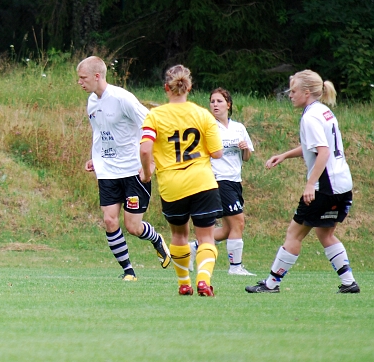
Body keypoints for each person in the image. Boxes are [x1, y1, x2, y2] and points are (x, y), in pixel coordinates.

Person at [246, 70, 359, 294]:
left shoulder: (310, 117)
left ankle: (271, 284)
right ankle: (349, 283)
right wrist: (285, 155)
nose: (290, 94)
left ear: (307, 92)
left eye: (294, 90)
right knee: (324, 233)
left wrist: (310, 184)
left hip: (324, 188)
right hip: (342, 184)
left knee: (294, 233)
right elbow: (315, 146)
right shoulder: (323, 111)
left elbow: (323, 152)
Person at [77, 56, 171, 281]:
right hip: (108, 170)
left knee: (133, 226)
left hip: (132, 170)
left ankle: (157, 240)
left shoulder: (122, 98)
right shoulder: (92, 101)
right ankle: (129, 271)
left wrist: (151, 163)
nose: (79, 82)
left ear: (97, 76)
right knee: (109, 220)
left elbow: (150, 125)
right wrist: (94, 156)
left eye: (83, 78)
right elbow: (99, 132)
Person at [140, 64, 224, 296]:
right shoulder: (202, 114)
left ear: (166, 88)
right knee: (206, 236)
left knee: (179, 235)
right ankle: (203, 280)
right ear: (189, 87)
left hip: (172, 185)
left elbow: (146, 150)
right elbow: (217, 153)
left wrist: (147, 173)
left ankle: (184, 283)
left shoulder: (155, 116)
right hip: (202, 182)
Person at [190, 88, 256, 275]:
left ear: (228, 104)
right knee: (238, 223)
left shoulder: (238, 128)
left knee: (228, 229)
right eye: (212, 101)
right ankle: (235, 268)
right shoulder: (208, 127)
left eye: (219, 101)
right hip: (219, 180)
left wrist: (244, 148)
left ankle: (193, 248)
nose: (215, 105)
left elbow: (247, 157)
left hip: (235, 180)